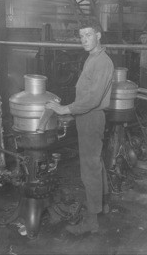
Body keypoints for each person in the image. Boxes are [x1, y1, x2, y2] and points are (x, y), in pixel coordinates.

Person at [46, 19, 114, 235]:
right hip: (87, 117)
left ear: (99, 35)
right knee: (96, 163)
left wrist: (65, 109)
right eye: (81, 36)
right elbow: (85, 94)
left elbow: (93, 99)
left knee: (89, 169)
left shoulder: (102, 62)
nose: (84, 40)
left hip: (92, 117)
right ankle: (104, 205)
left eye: (88, 35)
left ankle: (93, 222)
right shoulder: (91, 58)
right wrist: (73, 114)